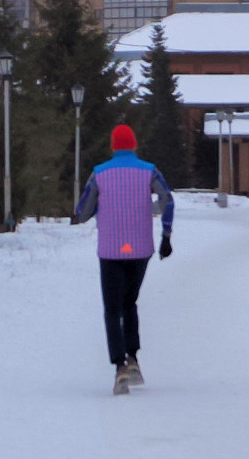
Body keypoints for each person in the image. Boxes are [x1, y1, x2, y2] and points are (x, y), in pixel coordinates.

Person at [72, 123, 173, 394]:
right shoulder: (150, 170)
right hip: (140, 248)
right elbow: (168, 200)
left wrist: (100, 207)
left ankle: (120, 369)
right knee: (130, 302)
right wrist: (166, 234)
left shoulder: (99, 174)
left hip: (111, 249)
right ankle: (134, 359)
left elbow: (82, 212)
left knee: (112, 308)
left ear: (113, 146)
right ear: (134, 145)